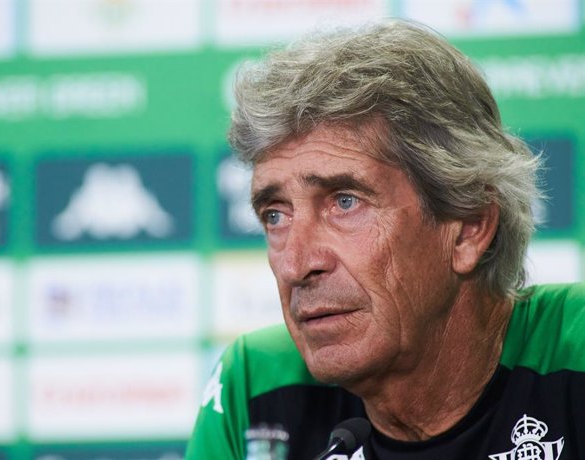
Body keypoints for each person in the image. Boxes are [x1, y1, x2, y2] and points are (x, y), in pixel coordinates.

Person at [185, 20, 585, 460]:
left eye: (345, 203)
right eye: (276, 215)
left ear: (469, 227)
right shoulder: (256, 386)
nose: (295, 265)